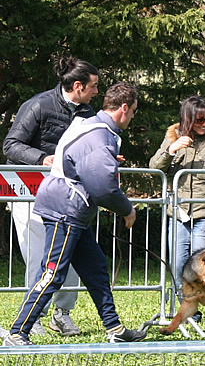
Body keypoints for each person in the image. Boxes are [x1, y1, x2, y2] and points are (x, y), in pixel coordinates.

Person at [3, 82, 146, 346]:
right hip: (65, 209)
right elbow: (103, 187)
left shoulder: (89, 124)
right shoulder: (101, 135)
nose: (133, 116)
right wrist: (127, 210)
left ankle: (114, 328)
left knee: (95, 269)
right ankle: (17, 332)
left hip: (70, 209)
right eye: (134, 111)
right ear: (124, 108)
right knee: (52, 273)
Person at [2, 56, 99, 337]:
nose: (96, 92)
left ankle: (62, 314)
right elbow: (11, 145)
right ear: (78, 86)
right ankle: (35, 318)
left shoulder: (87, 112)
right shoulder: (37, 105)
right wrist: (43, 158)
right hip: (30, 190)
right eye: (93, 86)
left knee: (70, 252)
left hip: (67, 193)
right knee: (38, 256)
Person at [149, 96, 205, 315]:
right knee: (178, 263)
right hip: (178, 212)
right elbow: (154, 168)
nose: (204, 124)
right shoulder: (173, 138)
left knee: (199, 264)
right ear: (187, 119)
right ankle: (187, 308)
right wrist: (171, 150)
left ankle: (193, 308)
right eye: (199, 120)